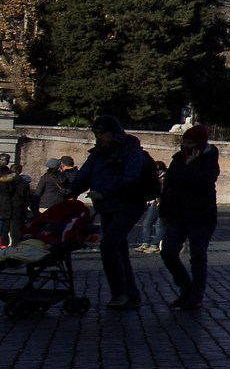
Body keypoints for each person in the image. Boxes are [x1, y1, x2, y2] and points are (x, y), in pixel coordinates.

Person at [67, 115, 157, 309]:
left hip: (129, 204)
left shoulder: (132, 153)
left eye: (103, 133)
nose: (99, 137)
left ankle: (120, 293)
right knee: (119, 249)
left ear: (114, 133)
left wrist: (104, 193)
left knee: (108, 245)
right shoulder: (97, 154)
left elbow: (131, 179)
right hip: (107, 206)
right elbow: (84, 175)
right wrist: (71, 191)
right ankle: (131, 295)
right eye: (96, 133)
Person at [157, 125, 218, 311]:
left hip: (201, 216)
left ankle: (196, 296)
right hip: (177, 215)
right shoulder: (177, 160)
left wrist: (191, 166)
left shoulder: (209, 161)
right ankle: (186, 288)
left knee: (198, 257)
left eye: (190, 143)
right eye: (184, 142)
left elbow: (205, 183)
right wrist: (164, 211)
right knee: (167, 252)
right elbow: (168, 187)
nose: (186, 146)